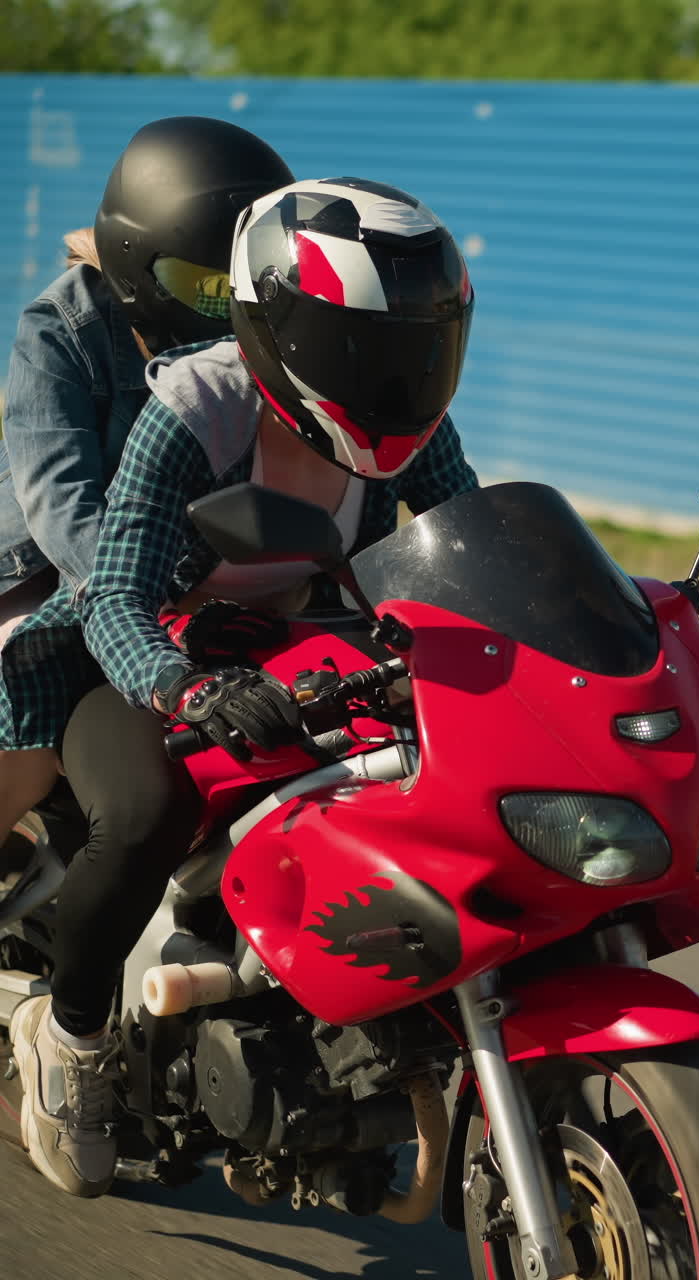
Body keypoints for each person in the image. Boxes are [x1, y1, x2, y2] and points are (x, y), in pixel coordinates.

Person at [9, 176, 478, 1199]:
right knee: (141, 811)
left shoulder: (411, 420)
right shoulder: (196, 406)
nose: (394, 376)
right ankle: (71, 1030)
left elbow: (475, 555)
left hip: (299, 649)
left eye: (413, 345)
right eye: (363, 346)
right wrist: (180, 690)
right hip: (133, 656)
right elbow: (115, 592)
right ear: (283, 333)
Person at [0, 115, 295, 843]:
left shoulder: (262, 334)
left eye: (244, 286)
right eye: (205, 287)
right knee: (27, 747)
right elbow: (60, 508)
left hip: (200, 563)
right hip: (54, 570)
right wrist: (164, 601)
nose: (226, 311)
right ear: (136, 263)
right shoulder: (60, 330)